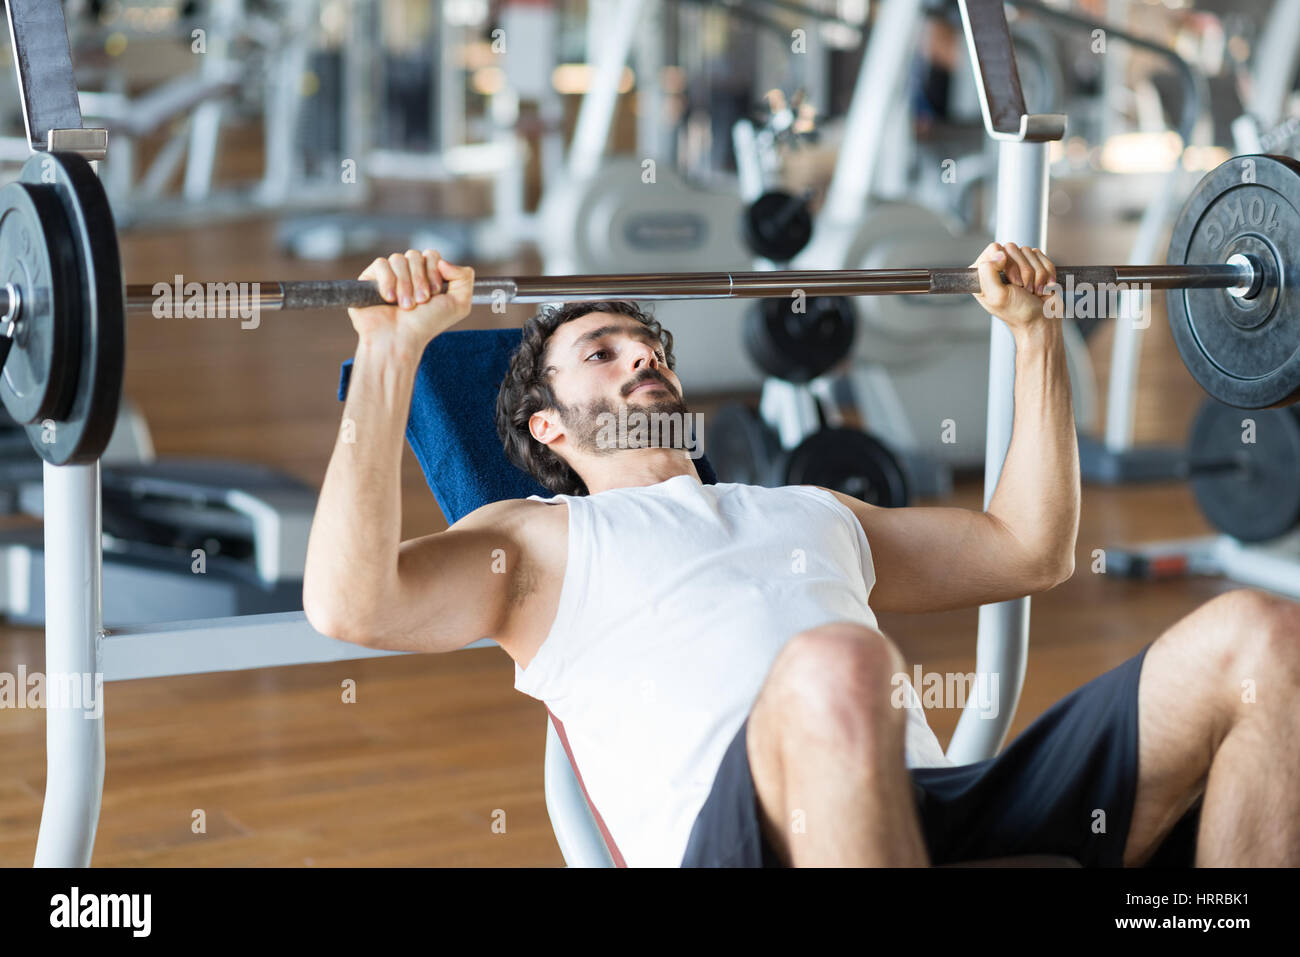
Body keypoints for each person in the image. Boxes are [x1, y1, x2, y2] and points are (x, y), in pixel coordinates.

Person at [303, 244, 1300, 868]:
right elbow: (351, 604)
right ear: (547, 430)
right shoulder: (531, 539)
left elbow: (1030, 549)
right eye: (601, 355)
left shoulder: (802, 508)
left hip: (922, 811)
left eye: (649, 348)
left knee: (1260, 638)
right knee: (836, 663)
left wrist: (1034, 336)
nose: (643, 358)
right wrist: (391, 354)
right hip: (746, 842)